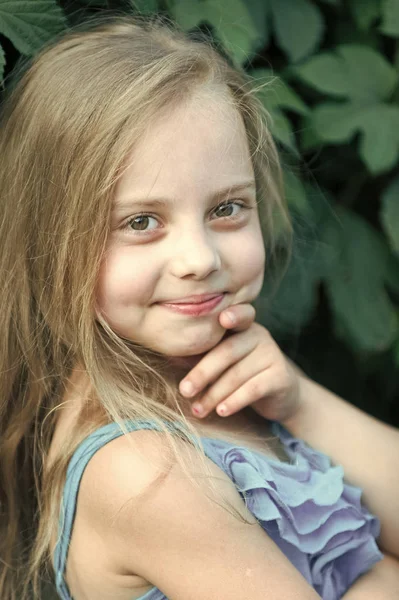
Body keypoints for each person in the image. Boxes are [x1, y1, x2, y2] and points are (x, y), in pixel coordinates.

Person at [0, 12, 397, 600]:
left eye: (226, 209)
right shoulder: (143, 470)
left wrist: (302, 402)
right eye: (141, 221)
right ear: (49, 239)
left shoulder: (240, 377)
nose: (199, 257)